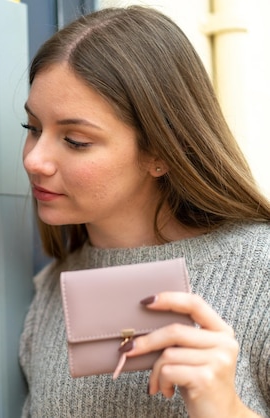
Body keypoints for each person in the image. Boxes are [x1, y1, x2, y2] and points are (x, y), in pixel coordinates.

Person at [19, 5, 270, 418]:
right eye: (33, 129)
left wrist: (227, 409)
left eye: (76, 140)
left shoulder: (262, 272)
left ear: (160, 153)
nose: (34, 160)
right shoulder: (47, 294)